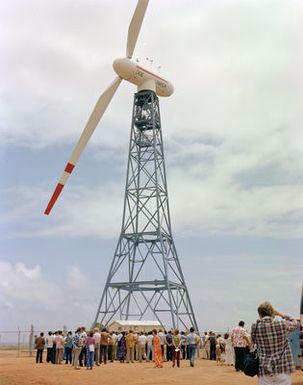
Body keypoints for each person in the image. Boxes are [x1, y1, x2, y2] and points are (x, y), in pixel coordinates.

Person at [251, 302, 299, 385]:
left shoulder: (255, 327)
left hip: (264, 370)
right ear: (272, 313)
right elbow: (296, 323)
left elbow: (254, 341)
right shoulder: (282, 323)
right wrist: (281, 314)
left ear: (260, 314)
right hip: (283, 368)